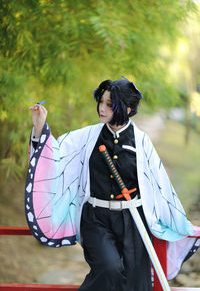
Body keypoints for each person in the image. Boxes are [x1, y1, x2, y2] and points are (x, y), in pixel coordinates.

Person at [26, 77, 200, 291]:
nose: (102, 108)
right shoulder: (87, 137)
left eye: (109, 104)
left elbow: (160, 187)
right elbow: (56, 156)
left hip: (132, 221)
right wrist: (39, 128)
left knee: (136, 282)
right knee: (109, 269)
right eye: (101, 102)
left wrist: (174, 220)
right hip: (96, 219)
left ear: (127, 109)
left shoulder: (141, 141)